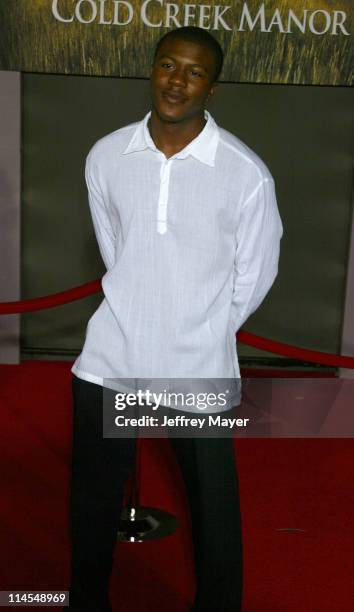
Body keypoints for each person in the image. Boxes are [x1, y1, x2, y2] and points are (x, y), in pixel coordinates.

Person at [67, 26, 283, 612]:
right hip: (111, 361)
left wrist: (203, 324)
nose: (177, 81)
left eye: (194, 72)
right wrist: (142, 302)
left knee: (214, 514)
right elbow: (115, 248)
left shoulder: (244, 173)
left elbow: (254, 275)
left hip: (197, 367)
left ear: (211, 87)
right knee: (91, 506)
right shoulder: (107, 154)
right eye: (168, 65)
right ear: (153, 69)